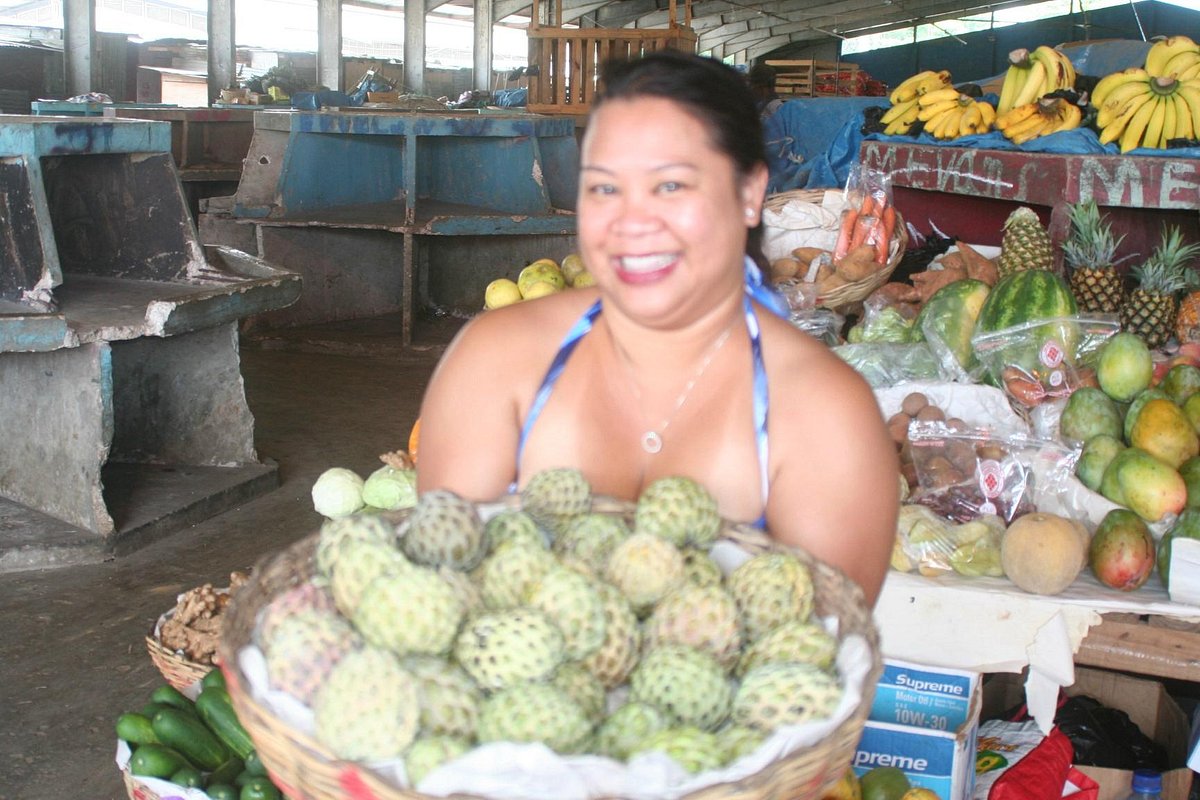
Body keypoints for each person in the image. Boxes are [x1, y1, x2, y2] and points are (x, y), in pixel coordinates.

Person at [416, 51, 898, 606]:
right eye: (604, 188)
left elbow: (813, 661)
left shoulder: (824, 414)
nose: (632, 222)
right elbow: (443, 603)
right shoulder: (497, 359)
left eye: (670, 186)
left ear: (748, 193)